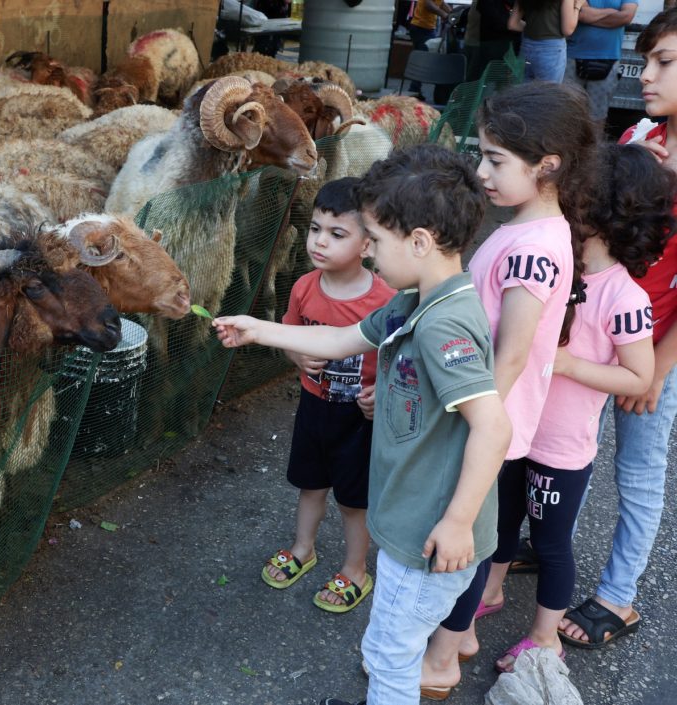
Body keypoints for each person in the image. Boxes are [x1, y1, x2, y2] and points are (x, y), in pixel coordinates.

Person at [214, 144, 512, 705]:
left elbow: (494, 428)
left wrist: (457, 523)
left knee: (388, 657)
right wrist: (258, 328)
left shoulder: (443, 324)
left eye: (374, 239)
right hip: (411, 525)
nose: (367, 252)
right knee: (391, 648)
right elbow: (336, 339)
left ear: (419, 242)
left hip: (428, 539)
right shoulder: (413, 301)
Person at [421, 81, 598, 695]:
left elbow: (514, 350)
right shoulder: (527, 230)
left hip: (488, 422)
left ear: (547, 165)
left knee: (466, 539)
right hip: (489, 419)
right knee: (473, 535)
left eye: (496, 160)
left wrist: (475, 423)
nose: (481, 171)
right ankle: (460, 635)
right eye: (482, 155)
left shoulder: (533, 250)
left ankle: (443, 657)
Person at [485, 142, 672, 672]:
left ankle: (546, 637)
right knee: (501, 525)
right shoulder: (556, 267)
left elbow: (637, 375)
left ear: (607, 212)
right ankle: (492, 591)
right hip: (517, 428)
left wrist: (566, 364)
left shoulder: (626, 297)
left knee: (550, 544)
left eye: (578, 199)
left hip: (562, 449)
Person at [558, 7, 677, 649]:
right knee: (568, 442)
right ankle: (550, 541)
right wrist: (629, 162)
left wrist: (656, 368)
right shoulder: (640, 137)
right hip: (597, 328)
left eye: (663, 62)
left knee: (638, 467)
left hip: (652, 347)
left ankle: (619, 595)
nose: (646, 73)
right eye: (647, 58)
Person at [260, 178, 396, 614]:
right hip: (313, 407)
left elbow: (402, 362)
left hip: (361, 418)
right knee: (310, 483)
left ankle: (356, 569)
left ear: (368, 244)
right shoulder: (303, 287)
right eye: (315, 228)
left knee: (354, 500)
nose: (320, 242)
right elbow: (288, 334)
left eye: (337, 234)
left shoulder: (387, 301)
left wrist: (384, 394)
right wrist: (295, 354)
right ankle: (304, 548)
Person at [564, 0, 638, 123]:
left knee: (597, 116)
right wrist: (611, 13)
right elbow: (582, 15)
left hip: (608, 58)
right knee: (567, 111)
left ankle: (595, 143)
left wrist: (591, 16)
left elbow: (626, 17)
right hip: (572, 57)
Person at [509, 0, 586, 81]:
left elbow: (512, 24)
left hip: (526, 48)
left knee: (524, 92)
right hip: (551, 50)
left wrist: (536, 29)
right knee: (549, 92)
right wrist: (578, 6)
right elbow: (568, 30)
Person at [409, 0, 452, 93]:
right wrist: (445, 15)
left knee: (423, 58)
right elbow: (429, 5)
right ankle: (413, 90)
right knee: (423, 59)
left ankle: (415, 89)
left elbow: (441, 3)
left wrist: (452, 13)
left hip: (426, 28)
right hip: (421, 27)